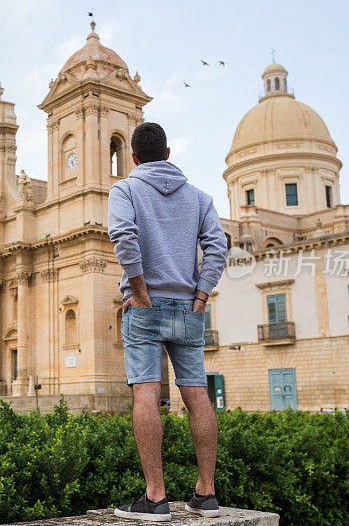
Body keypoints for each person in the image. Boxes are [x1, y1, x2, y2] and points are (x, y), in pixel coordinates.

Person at [108, 122, 227, 520]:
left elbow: (124, 236)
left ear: (134, 157)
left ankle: (155, 497)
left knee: (145, 394)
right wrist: (201, 294)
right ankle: (206, 494)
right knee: (197, 395)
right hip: (187, 309)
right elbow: (217, 248)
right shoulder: (199, 197)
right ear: (169, 153)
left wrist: (139, 291)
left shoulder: (125, 189)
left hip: (143, 307)